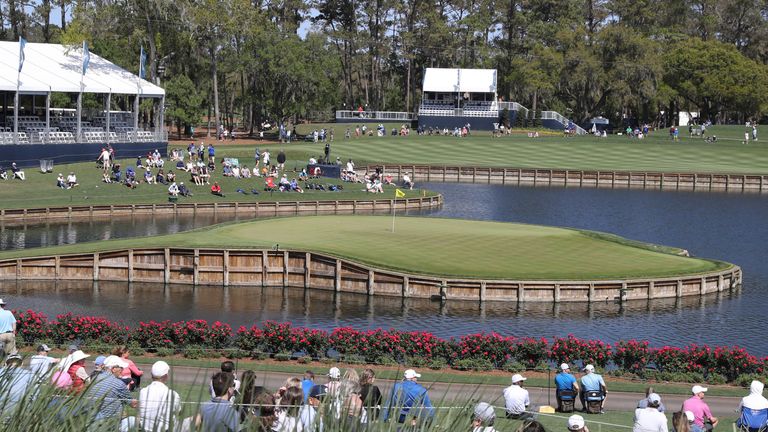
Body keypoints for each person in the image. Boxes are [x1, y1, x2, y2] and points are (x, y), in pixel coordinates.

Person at [88, 355, 138, 430]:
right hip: (111, 422)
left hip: (93, 420)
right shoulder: (119, 384)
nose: (122, 370)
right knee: (134, 420)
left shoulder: (94, 379)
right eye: (121, 368)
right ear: (113, 369)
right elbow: (132, 404)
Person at [139, 360, 182, 432]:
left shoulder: (143, 392)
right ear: (166, 376)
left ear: (151, 374)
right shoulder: (172, 394)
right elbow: (179, 412)